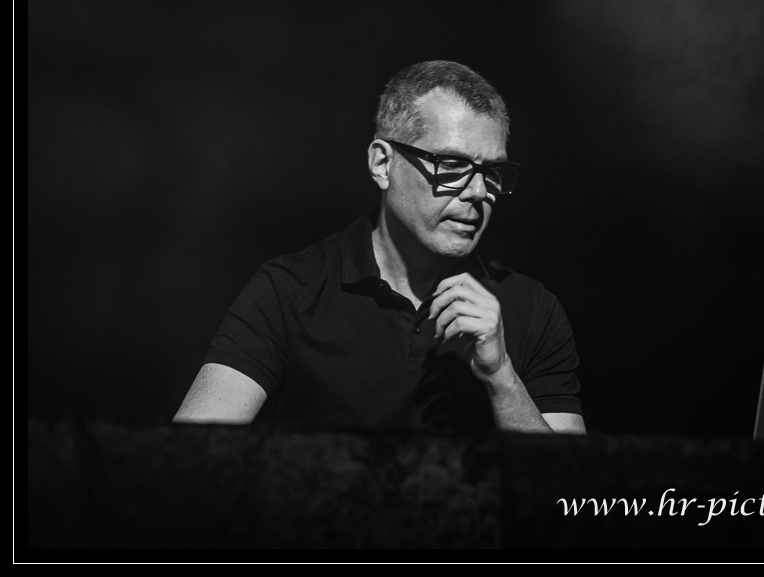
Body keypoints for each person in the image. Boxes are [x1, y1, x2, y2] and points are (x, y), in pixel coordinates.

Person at [173, 60, 585, 434]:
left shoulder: (533, 310)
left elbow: (570, 488)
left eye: (492, 171)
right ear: (383, 164)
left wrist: (502, 378)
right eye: (452, 165)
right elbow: (186, 460)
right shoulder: (289, 292)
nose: (479, 191)